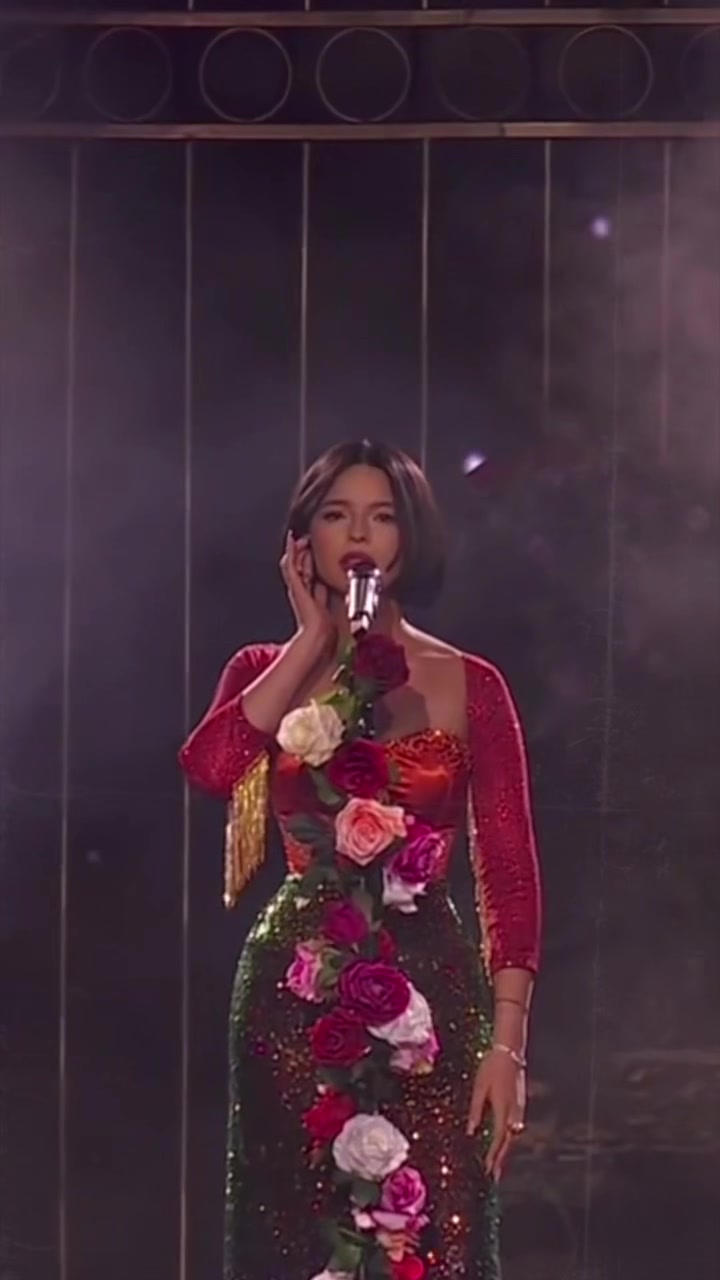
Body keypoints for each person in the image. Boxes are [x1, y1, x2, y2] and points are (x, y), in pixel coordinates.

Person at [179, 440, 541, 1280]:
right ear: (302, 539)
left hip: (432, 995)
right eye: (336, 514)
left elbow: (510, 871)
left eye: (381, 516)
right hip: (295, 995)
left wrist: (509, 1047)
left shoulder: (470, 683)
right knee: (292, 1235)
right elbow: (211, 769)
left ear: (410, 537)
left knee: (433, 1236)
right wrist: (311, 641)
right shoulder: (264, 670)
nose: (357, 534)